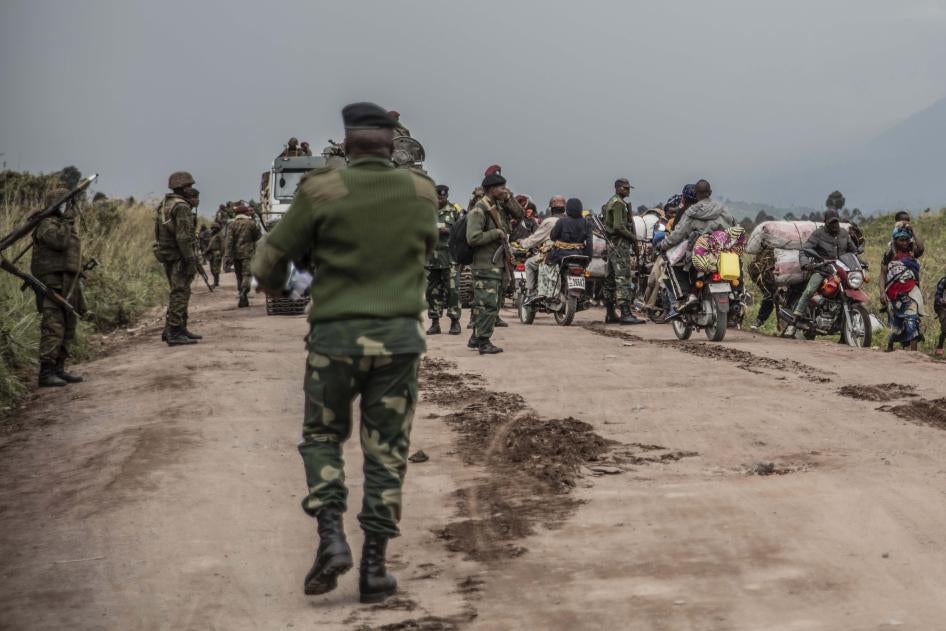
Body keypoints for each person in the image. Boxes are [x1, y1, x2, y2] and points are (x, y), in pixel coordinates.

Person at [250, 101, 437, 603]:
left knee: (321, 436)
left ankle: (331, 536)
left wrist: (303, 281)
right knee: (387, 452)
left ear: (347, 143)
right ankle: (375, 567)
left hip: (334, 340)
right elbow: (425, 253)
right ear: (392, 142)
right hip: (398, 343)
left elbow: (267, 265)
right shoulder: (421, 193)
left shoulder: (321, 190)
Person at [30, 188, 85, 386]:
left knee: (69, 325)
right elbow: (60, 242)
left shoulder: (63, 224)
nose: (69, 208)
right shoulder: (45, 225)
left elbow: (70, 251)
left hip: (68, 283)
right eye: (65, 204)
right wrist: (68, 220)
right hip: (52, 284)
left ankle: (59, 368)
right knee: (53, 326)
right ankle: (46, 373)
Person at [657, 180, 735, 311]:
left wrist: (663, 245)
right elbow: (733, 226)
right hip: (722, 250)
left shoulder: (691, 212)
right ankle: (737, 294)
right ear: (710, 192)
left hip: (699, 251)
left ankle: (685, 297)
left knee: (671, 264)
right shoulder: (722, 209)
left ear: (696, 194)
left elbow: (678, 234)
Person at [466, 171, 522, 354]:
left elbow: (519, 214)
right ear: (491, 189)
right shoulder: (479, 209)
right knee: (487, 304)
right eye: (501, 187)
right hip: (485, 264)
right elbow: (473, 238)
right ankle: (483, 341)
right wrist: (495, 234)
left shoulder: (498, 206)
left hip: (497, 263)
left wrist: (508, 198)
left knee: (493, 302)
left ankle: (476, 337)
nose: (505, 190)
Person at [781, 208, 859, 337]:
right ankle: (793, 323)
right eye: (831, 222)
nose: (834, 225)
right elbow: (805, 250)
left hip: (842, 271)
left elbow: (853, 251)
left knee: (852, 289)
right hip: (823, 270)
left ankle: (843, 331)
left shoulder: (844, 234)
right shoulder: (818, 234)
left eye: (836, 222)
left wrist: (860, 261)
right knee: (809, 291)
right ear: (825, 222)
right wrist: (806, 264)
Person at [154, 171, 200, 346]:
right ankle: (174, 331)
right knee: (180, 292)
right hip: (179, 255)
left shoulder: (165, 203)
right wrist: (190, 259)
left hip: (168, 254)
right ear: (181, 187)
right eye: (189, 186)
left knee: (178, 291)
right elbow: (183, 237)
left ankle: (177, 328)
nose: (191, 189)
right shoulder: (181, 206)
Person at [602, 178, 644, 324]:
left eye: (628, 188)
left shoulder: (610, 202)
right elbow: (619, 226)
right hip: (619, 245)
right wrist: (634, 238)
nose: (628, 191)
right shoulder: (619, 203)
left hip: (612, 244)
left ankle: (610, 313)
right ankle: (625, 313)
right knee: (623, 278)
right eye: (625, 188)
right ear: (618, 188)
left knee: (610, 278)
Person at [535, 198, 593, 298]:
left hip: (561, 254)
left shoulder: (562, 221)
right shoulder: (587, 223)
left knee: (545, 265)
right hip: (580, 255)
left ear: (568, 209)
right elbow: (590, 243)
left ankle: (546, 293)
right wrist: (588, 258)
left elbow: (553, 237)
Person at [425, 184, 462, 335]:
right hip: (431, 259)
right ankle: (435, 322)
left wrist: (448, 230)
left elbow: (462, 231)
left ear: (447, 196)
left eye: (443, 197)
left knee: (453, 291)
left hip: (449, 258)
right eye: (438, 197)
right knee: (432, 292)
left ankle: (455, 322)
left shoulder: (454, 210)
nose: (440, 199)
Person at [884, 227, 924, 352]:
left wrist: (913, 231)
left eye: (907, 240)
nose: (905, 243)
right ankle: (890, 346)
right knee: (896, 325)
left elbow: (921, 247)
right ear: (895, 240)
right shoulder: (890, 254)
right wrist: (881, 293)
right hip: (894, 294)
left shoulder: (912, 252)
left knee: (912, 322)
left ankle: (914, 354)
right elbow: (882, 273)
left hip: (911, 292)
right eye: (901, 240)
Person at [517, 196, 566, 298]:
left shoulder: (549, 221)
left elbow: (535, 238)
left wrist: (523, 243)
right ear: (564, 209)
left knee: (529, 263)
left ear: (551, 209)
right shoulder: (569, 221)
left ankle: (531, 292)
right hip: (569, 255)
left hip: (552, 255)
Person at [226, 203, 262, 308]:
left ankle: (243, 298)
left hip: (236, 255)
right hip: (248, 253)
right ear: (245, 213)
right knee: (247, 274)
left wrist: (227, 255)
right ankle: (243, 293)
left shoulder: (232, 225)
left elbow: (229, 242)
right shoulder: (251, 223)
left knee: (239, 276)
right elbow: (257, 237)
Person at [205, 223, 224, 288]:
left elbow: (222, 245)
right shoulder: (212, 235)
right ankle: (216, 282)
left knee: (215, 269)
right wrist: (206, 251)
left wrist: (221, 254)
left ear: (217, 229)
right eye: (212, 228)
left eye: (214, 228)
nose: (213, 229)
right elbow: (210, 245)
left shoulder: (219, 235)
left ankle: (216, 282)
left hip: (217, 253)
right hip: (212, 253)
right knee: (212, 269)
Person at [934, 272, 946, 357]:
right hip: (941, 306)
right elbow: (937, 296)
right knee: (945, 328)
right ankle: (940, 346)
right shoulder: (944, 281)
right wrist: (942, 301)